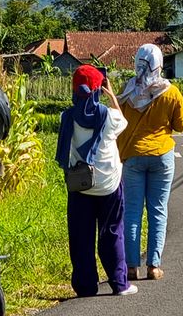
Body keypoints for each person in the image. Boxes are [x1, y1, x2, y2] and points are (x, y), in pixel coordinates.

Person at [56, 64, 137, 297]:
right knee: (112, 232)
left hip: (79, 185)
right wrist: (111, 94)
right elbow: (123, 121)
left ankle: (85, 287)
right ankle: (119, 283)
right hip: (108, 185)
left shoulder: (66, 117)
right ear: (97, 90)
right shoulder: (109, 116)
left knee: (81, 236)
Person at [118, 43, 183, 281]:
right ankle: (154, 266)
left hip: (133, 157)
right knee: (158, 211)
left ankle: (130, 268)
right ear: (159, 64)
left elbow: (118, 124)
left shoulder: (127, 92)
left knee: (132, 212)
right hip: (162, 157)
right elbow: (180, 125)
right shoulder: (171, 92)